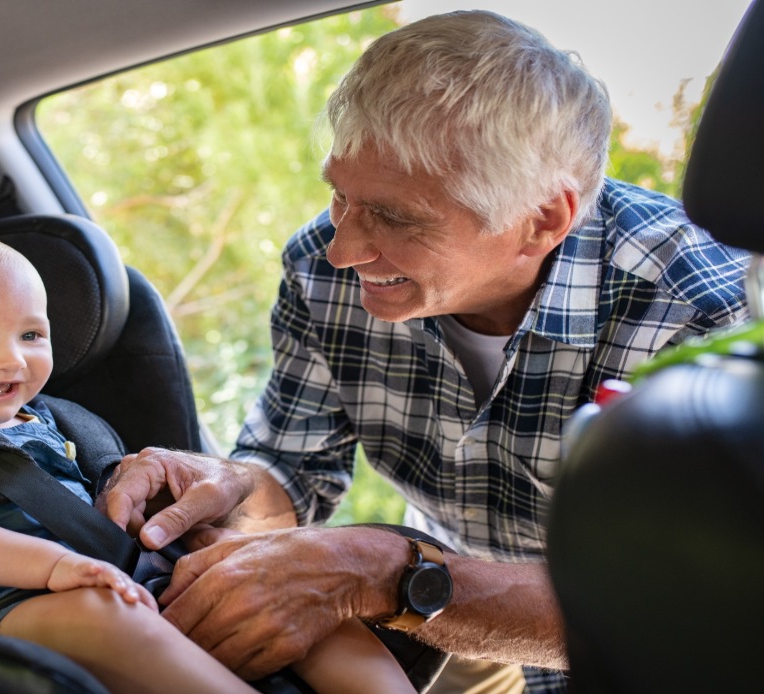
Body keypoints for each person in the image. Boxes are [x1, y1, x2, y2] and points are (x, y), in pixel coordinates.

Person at [98, 10, 751, 694]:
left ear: (541, 219)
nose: (343, 249)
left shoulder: (703, 314)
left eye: (395, 216)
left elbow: (684, 610)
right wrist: (230, 485)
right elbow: (292, 473)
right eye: (338, 196)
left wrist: (388, 573)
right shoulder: (321, 274)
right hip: (447, 610)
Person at [0, 228, 416, 694]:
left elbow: (99, 509)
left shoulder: (58, 423)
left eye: (31, 334)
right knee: (106, 620)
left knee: (291, 589)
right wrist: (51, 569)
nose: (10, 358)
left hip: (111, 574)